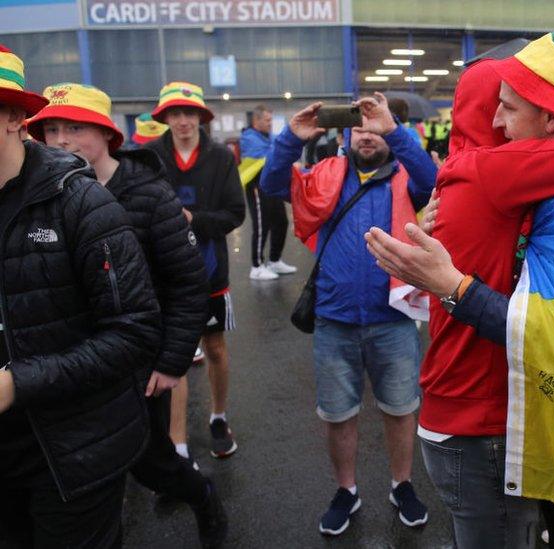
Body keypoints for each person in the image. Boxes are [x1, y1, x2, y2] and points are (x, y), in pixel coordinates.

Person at [366, 34, 554, 547]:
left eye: (512, 106)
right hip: (481, 418)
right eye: (498, 106)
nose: (502, 122)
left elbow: (529, 237)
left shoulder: (484, 179)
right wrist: (452, 285)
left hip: (466, 408)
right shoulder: (493, 173)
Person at [26, 81, 228, 548]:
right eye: (51, 129)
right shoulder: (40, 195)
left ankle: (202, 496)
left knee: (150, 461)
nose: (60, 141)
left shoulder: (148, 193)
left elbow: (187, 280)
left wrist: (173, 358)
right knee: (84, 472)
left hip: (139, 359)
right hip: (72, 362)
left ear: (107, 133)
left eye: (75, 128)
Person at [0, 45, 162, 547]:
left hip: (74, 454)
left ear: (12, 116)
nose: (64, 138)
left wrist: (17, 383)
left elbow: (135, 332)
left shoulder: (81, 202)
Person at [259, 93, 436, 536]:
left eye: (374, 128)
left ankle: (402, 484)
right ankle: (346, 490)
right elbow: (271, 183)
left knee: (400, 409)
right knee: (338, 415)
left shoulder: (406, 179)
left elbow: (435, 180)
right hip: (334, 321)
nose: (367, 135)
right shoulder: (324, 177)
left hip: (393, 319)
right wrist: (290, 139)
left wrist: (394, 129)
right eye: (358, 127)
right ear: (344, 135)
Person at [145, 81, 246, 460]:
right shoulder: (150, 155)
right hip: (165, 273)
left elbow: (235, 213)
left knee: (215, 349)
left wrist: (194, 220)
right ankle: (178, 443)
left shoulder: (220, 157)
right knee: (175, 356)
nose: (183, 120)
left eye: (190, 113)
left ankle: (218, 417)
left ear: (201, 117)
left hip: (210, 271)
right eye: (176, 113)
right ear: (165, 117)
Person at [240, 104, 295, 281]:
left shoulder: (269, 136)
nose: (270, 123)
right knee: (261, 225)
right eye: (267, 120)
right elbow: (269, 155)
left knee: (281, 221)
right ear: (256, 120)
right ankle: (256, 266)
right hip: (257, 186)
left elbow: (277, 152)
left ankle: (274, 260)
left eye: (271, 119)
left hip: (272, 186)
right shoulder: (249, 137)